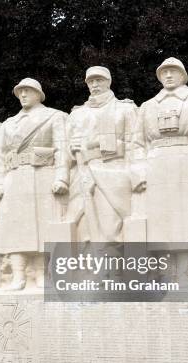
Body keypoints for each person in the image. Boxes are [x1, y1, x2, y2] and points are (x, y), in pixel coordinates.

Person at [134, 57, 188, 285]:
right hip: (155, 165)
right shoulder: (148, 106)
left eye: (173, 71)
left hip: (186, 161)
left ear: (182, 75)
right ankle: (167, 272)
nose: (168, 76)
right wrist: (138, 171)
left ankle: (187, 270)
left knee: (187, 221)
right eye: (163, 72)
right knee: (160, 221)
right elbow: (136, 143)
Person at [0, 78, 70, 290]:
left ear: (38, 94)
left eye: (28, 91)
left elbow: (62, 148)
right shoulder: (8, 124)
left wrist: (61, 177)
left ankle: (42, 274)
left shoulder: (54, 117)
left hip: (42, 175)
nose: (23, 95)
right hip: (14, 178)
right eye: (20, 92)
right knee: (15, 228)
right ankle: (19, 276)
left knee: (42, 227)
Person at [67, 66, 139, 248]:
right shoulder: (77, 114)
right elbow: (65, 148)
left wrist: (137, 173)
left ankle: (112, 272)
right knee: (84, 229)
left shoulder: (125, 109)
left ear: (108, 81)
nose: (94, 84)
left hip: (114, 170)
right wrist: (72, 149)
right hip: (83, 172)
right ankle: (95, 269)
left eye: (99, 80)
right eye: (91, 81)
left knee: (110, 227)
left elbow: (136, 143)